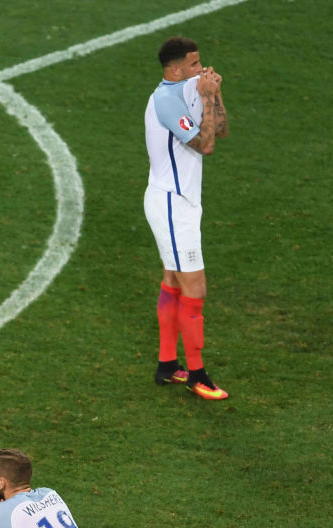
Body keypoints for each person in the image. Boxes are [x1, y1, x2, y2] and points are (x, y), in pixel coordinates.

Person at [144, 36, 231, 400]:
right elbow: (205, 145)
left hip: (183, 203)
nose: (202, 69)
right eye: (195, 64)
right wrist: (207, 96)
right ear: (176, 68)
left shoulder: (192, 88)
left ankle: (167, 366)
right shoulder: (166, 100)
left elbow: (221, 130)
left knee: (173, 281)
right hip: (171, 204)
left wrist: (215, 94)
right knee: (196, 288)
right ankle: (197, 375)